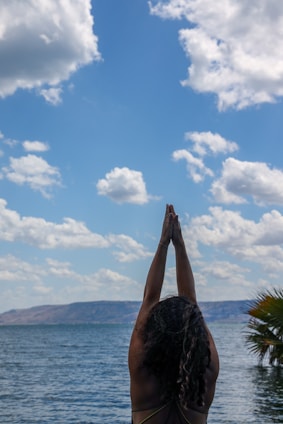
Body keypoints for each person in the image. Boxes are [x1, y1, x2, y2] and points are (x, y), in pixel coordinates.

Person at [128, 204, 219, 424]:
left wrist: (164, 243)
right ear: (196, 331)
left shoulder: (142, 369)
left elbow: (150, 298)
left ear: (155, 330)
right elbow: (191, 299)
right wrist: (180, 244)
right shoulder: (206, 372)